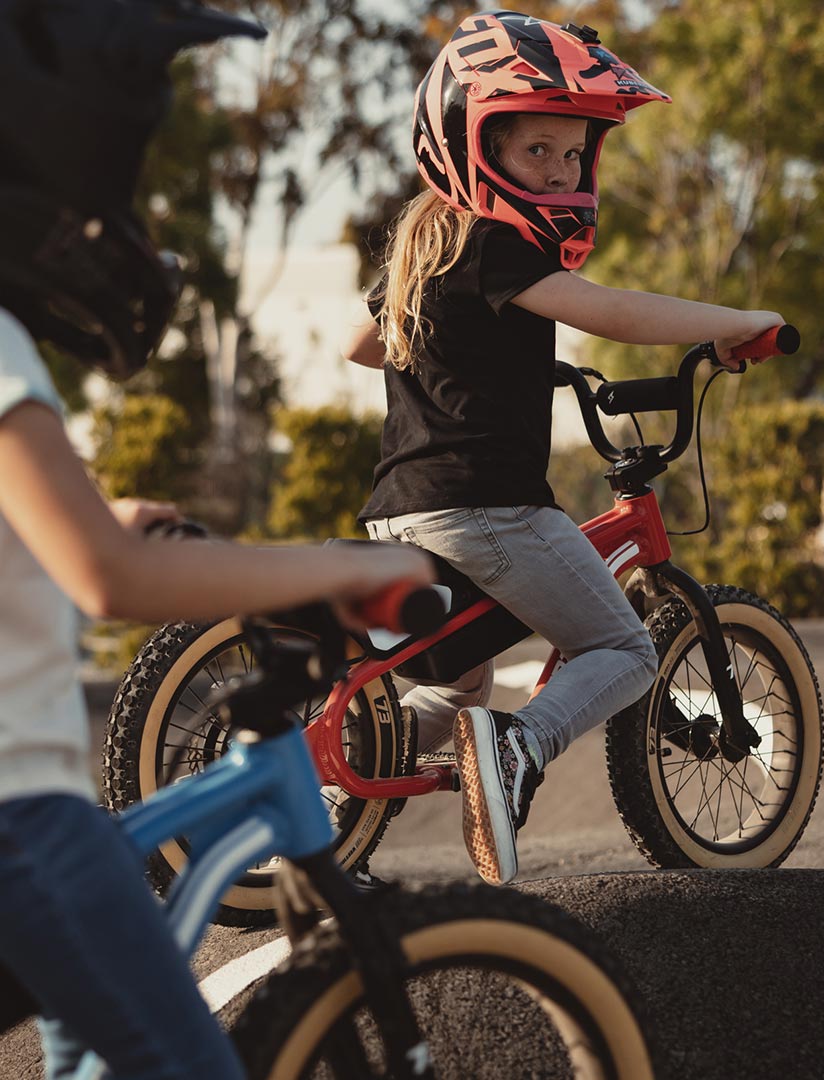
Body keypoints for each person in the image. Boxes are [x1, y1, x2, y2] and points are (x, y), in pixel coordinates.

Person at [0, 3, 434, 1079]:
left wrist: (98, 519)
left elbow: (67, 541)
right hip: (22, 824)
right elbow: (109, 578)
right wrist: (347, 564)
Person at [342, 10, 784, 888]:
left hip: (400, 510)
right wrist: (739, 324)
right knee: (624, 652)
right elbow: (611, 312)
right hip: (486, 506)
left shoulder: (424, 248)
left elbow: (360, 348)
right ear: (473, 142)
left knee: (453, 688)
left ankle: (329, 798)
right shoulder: (494, 240)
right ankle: (519, 747)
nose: (560, 169)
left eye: (573, 155)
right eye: (535, 150)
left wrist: (474, 353)